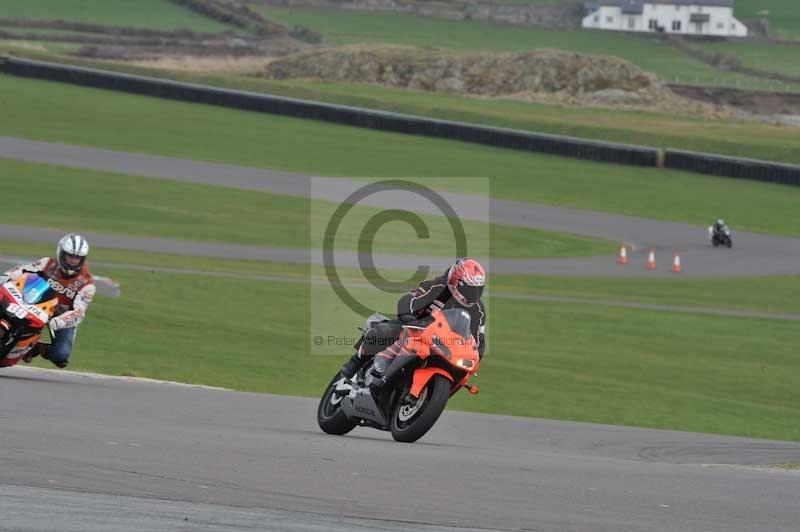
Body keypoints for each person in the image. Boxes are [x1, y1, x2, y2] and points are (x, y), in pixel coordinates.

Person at [340, 258, 487, 388]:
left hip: (444, 346)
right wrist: (407, 315)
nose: (473, 295)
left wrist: (475, 357)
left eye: (477, 290)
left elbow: (477, 340)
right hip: (413, 328)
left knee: (460, 374)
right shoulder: (437, 286)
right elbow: (410, 299)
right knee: (383, 331)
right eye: (469, 289)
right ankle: (354, 364)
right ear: (456, 281)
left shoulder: (478, 309)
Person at [0, 234, 94, 368]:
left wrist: (59, 321)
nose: (73, 261)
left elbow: (79, 313)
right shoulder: (47, 263)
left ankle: (35, 347)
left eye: (78, 258)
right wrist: (7, 276)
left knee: (60, 356)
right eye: (70, 256)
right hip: (36, 300)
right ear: (61, 253)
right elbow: (22, 269)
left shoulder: (87, 284)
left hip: (60, 315)